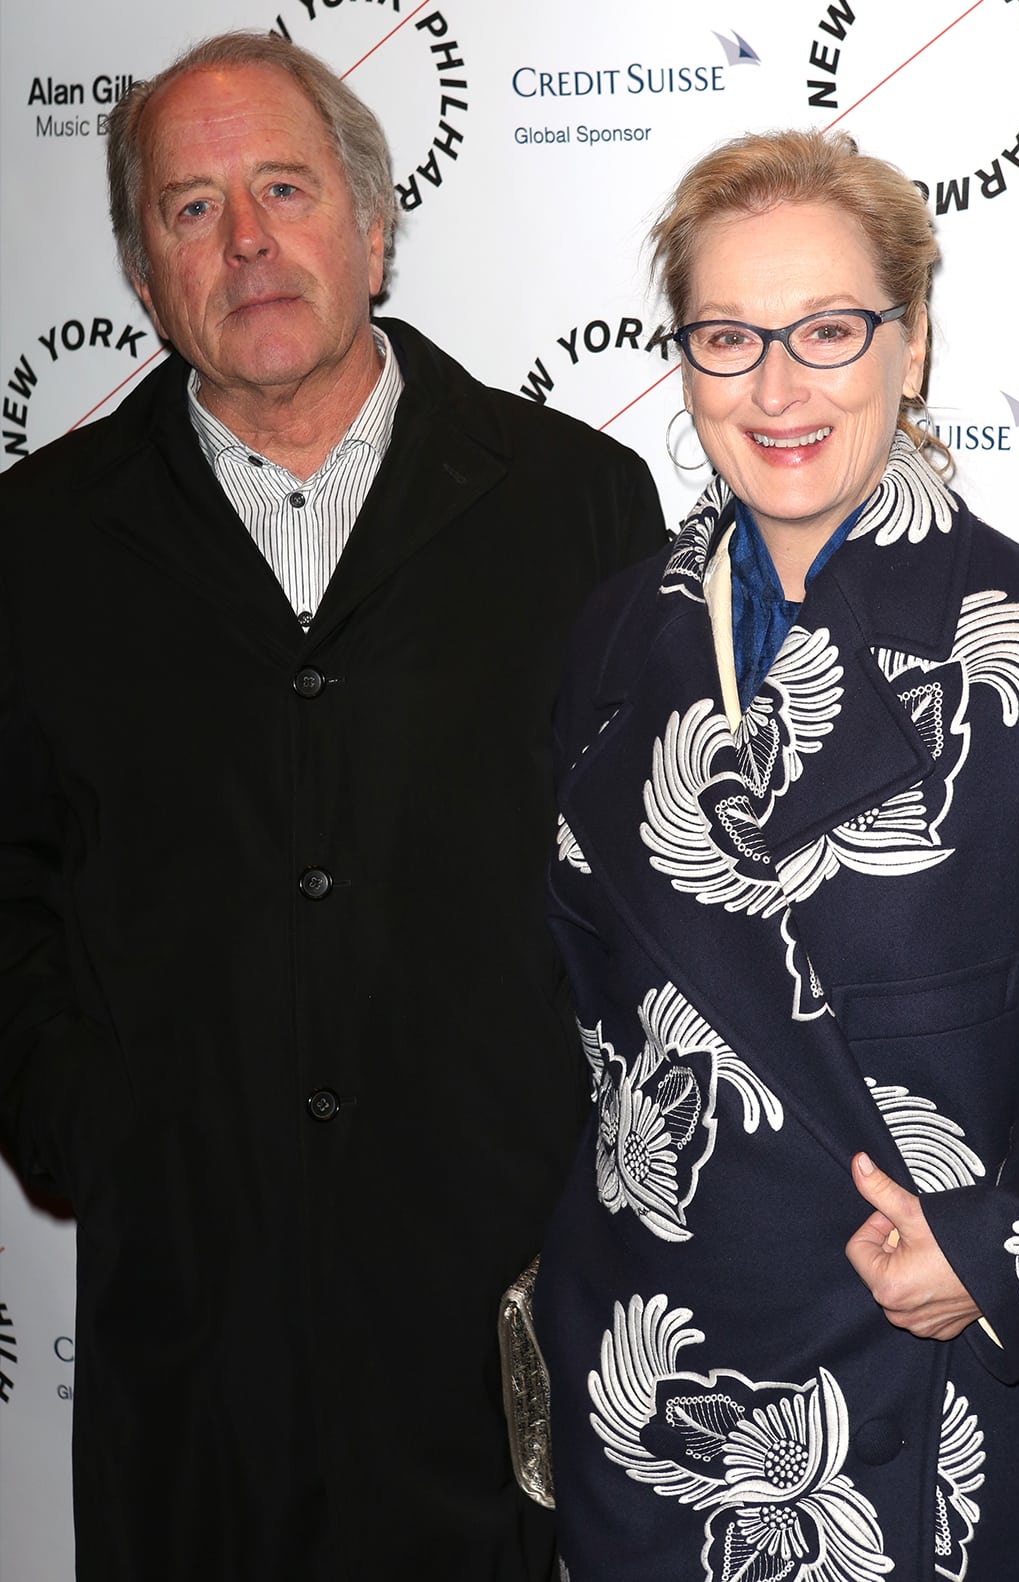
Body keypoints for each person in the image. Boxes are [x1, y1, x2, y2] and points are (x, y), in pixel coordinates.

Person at [0, 30, 664, 1582]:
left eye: (285, 188)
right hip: (188, 1337)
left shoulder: (574, 503)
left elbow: (645, 882)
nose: (246, 241)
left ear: (373, 225)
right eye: (189, 208)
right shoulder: (36, 542)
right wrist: (85, 1124)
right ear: (144, 276)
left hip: (493, 1315)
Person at [534, 128, 1019, 1581]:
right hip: (663, 1408)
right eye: (726, 336)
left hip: (927, 1415)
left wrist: (1003, 1245)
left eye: (828, 330)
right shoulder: (613, 637)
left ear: (911, 346)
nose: (776, 387)